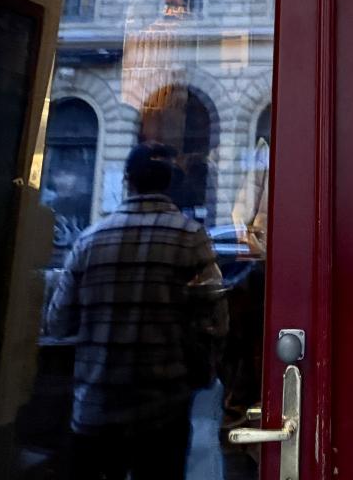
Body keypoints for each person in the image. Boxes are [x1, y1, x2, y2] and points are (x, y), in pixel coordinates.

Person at [46, 142, 224, 480]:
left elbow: (57, 323)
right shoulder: (191, 238)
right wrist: (203, 370)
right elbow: (215, 320)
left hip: (96, 407)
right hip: (163, 410)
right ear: (170, 182)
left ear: (127, 180)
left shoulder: (89, 240)